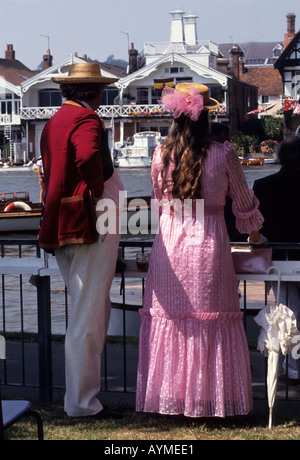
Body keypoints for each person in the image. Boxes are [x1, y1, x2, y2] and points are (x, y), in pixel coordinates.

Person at [136, 83, 264, 418]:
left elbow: (159, 204)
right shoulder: (223, 153)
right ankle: (209, 399)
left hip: (169, 246)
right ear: (205, 117)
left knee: (174, 320)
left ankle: (171, 398)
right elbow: (244, 200)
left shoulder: (161, 154)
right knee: (210, 321)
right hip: (208, 244)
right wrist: (254, 235)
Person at [38, 63, 124, 418]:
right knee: (88, 316)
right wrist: (98, 189)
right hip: (90, 221)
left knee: (86, 310)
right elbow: (89, 156)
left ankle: (81, 399)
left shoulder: (54, 121)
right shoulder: (87, 120)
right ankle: (82, 404)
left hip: (61, 221)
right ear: (95, 92)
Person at [253, 135, 300, 384]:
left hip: (279, 257)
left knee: (289, 313)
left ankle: (293, 368)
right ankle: (294, 369)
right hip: (293, 252)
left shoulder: (263, 185)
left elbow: (257, 224)